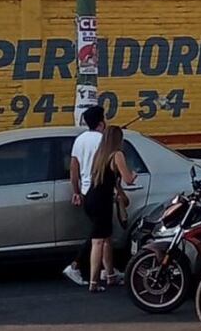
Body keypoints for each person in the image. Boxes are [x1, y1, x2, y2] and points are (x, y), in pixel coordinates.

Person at [85, 125, 137, 291]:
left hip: (92, 198)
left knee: (107, 238)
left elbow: (107, 180)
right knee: (98, 241)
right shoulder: (117, 155)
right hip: (102, 202)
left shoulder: (100, 154)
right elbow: (128, 179)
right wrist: (133, 174)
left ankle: (110, 275)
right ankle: (93, 282)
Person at [63, 105, 107, 286]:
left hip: (86, 191)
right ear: (101, 123)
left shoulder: (79, 140)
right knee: (98, 234)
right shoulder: (103, 140)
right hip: (100, 191)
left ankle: (108, 270)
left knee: (103, 233)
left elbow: (74, 169)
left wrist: (76, 191)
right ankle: (76, 266)